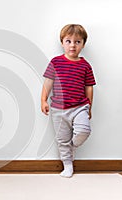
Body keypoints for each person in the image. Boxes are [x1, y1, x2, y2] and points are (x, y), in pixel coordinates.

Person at [41, 24, 96, 178]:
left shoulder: (85, 66)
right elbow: (48, 82)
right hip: (59, 109)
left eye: (77, 42)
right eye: (68, 41)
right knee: (62, 139)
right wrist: (43, 100)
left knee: (84, 130)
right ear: (62, 43)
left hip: (80, 107)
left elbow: (89, 87)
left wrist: (89, 107)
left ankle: (72, 145)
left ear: (83, 44)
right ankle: (67, 164)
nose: (72, 45)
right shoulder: (56, 62)